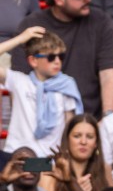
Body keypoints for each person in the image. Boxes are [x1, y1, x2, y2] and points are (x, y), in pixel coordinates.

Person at [12, 0, 113, 117]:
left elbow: (108, 74)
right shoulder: (31, 26)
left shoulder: (102, 21)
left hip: (89, 122)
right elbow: (20, 82)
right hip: (40, 122)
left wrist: (107, 119)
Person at [0, 28, 82, 158]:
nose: (57, 61)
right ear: (33, 61)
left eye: (61, 56)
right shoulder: (19, 81)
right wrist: (20, 39)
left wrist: (66, 156)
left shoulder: (67, 85)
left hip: (50, 158)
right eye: (51, 57)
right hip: (17, 155)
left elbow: (70, 126)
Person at [41, 115, 111, 191]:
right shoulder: (50, 173)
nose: (83, 142)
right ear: (67, 140)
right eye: (77, 136)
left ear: (96, 143)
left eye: (90, 137)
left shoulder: (104, 169)